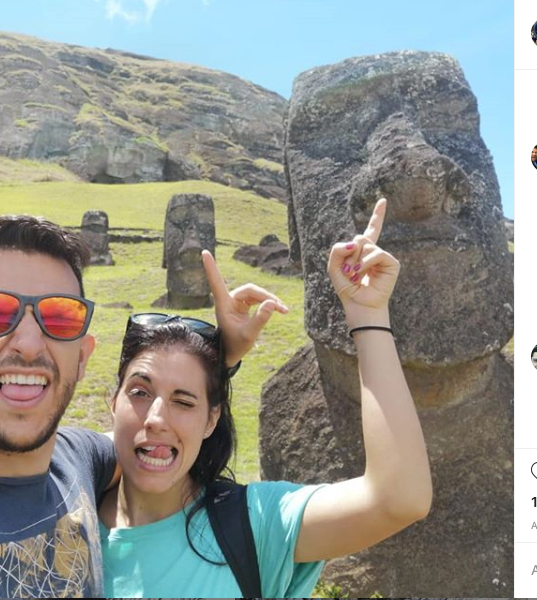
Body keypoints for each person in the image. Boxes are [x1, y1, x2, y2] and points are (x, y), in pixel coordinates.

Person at [0, 215, 284, 598]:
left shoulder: (78, 460)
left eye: (58, 318)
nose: (27, 343)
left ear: (81, 358)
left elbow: (154, 433)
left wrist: (219, 362)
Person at [99, 198, 433, 597]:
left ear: (212, 420)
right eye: (139, 392)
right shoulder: (60, 512)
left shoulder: (255, 524)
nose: (156, 417)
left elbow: (400, 498)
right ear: (112, 400)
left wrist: (368, 313)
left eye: (184, 401)